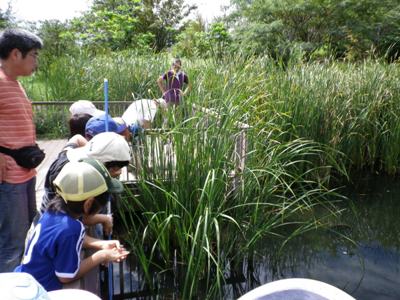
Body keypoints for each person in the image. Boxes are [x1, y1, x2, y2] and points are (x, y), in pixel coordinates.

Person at [15, 158, 129, 291]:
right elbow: (67, 276)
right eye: (103, 202)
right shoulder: (72, 228)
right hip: (39, 290)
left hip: (23, 279)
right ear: (88, 204)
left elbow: (60, 242)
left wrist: (101, 244)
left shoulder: (53, 211)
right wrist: (102, 255)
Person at [0, 28, 43, 272]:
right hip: (10, 178)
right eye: (34, 55)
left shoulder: (15, 84)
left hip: (25, 172)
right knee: (12, 243)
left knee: (28, 232)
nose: (36, 61)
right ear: (16, 54)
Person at [39, 132, 131, 236]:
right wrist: (105, 219)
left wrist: (90, 149)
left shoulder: (69, 153)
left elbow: (77, 137)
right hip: (56, 227)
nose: (118, 172)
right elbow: (77, 213)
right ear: (101, 164)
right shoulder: (71, 176)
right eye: (115, 168)